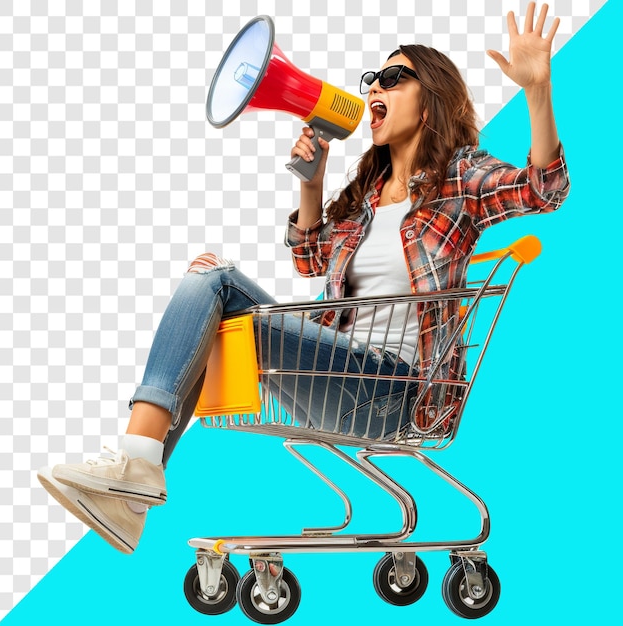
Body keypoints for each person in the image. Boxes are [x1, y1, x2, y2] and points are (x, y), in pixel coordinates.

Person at [37, 2, 569, 554]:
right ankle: (133, 485)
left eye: (392, 78)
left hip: (395, 392)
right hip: (338, 378)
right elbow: (310, 260)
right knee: (210, 288)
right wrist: (311, 187)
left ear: (431, 101)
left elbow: (544, 189)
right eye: (371, 80)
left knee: (218, 284)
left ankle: (135, 471)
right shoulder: (366, 195)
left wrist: (536, 89)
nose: (372, 90)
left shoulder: (460, 178)